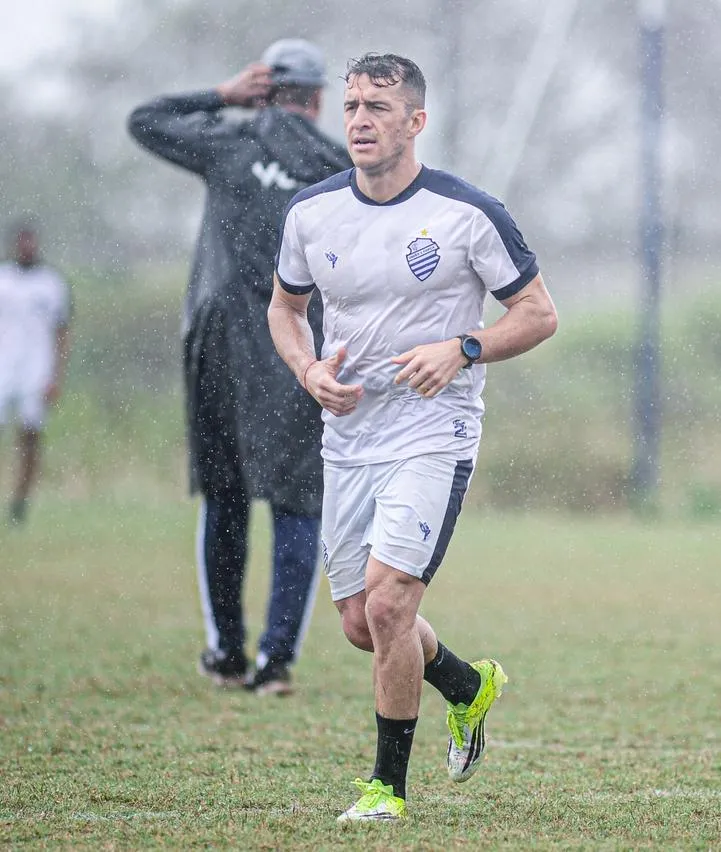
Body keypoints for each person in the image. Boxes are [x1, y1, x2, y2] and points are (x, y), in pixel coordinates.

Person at [268, 52, 557, 822]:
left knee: (392, 605)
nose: (360, 121)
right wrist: (306, 372)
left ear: (416, 122)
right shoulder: (311, 213)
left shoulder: (467, 213)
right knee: (362, 624)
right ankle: (468, 685)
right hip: (349, 436)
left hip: (435, 431)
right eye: (353, 106)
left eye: (379, 108)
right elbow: (285, 310)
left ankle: (385, 790)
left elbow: (537, 314)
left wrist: (461, 347)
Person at [127, 39, 352, 695]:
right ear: (317, 99)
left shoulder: (227, 142)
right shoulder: (335, 168)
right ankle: (274, 662)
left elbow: (144, 119)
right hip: (299, 349)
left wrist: (220, 97)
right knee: (296, 502)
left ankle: (227, 651)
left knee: (225, 496)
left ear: (264, 88)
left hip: (219, 340)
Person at [0, 223, 71, 525]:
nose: (26, 247)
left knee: (29, 437)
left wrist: (56, 375)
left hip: (36, 370)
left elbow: (62, 332)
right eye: (22, 241)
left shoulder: (52, 284)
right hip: (4, 367)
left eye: (31, 241)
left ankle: (20, 503)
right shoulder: (3, 279)